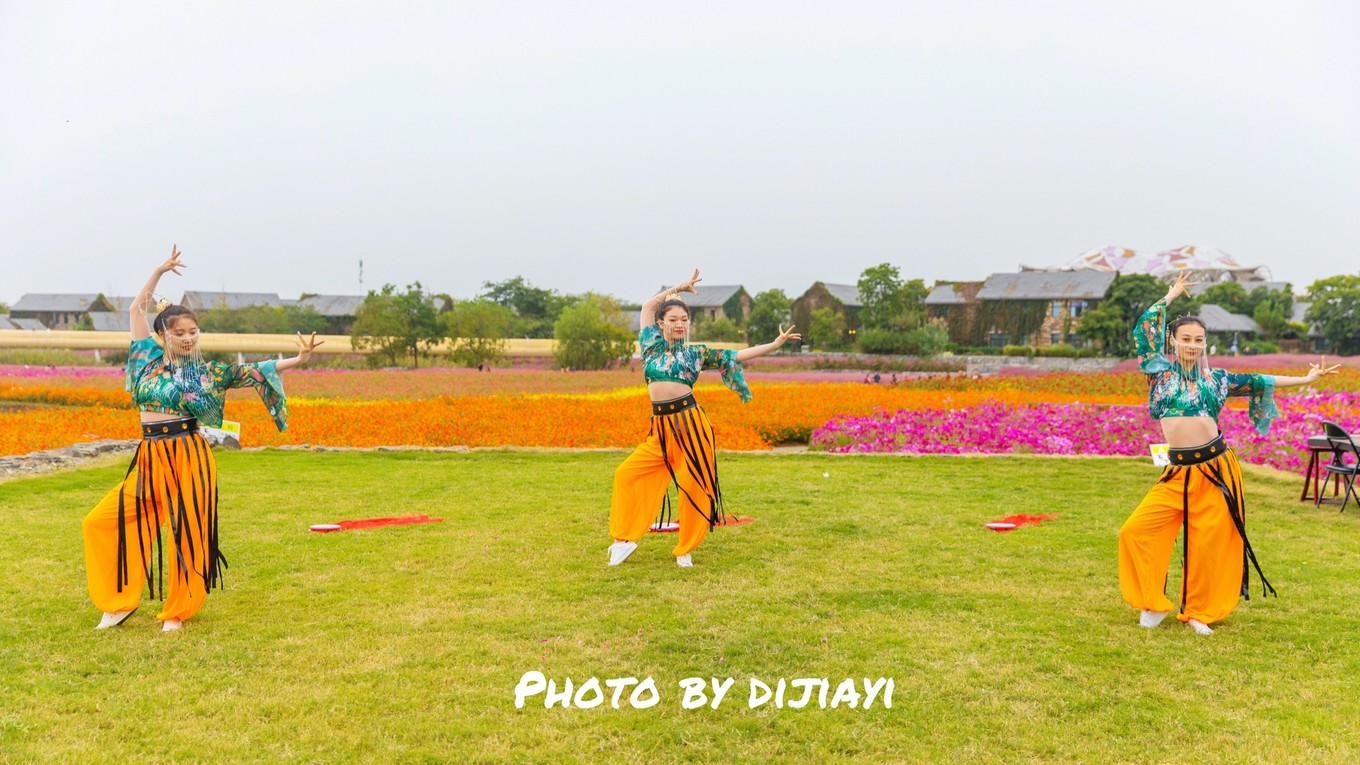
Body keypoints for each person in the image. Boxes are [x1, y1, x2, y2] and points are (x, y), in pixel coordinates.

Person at [83, 245, 323, 632]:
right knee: (100, 521)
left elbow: (250, 371)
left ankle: (178, 610)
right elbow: (136, 310)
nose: (188, 338)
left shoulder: (206, 372)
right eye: (180, 333)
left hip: (188, 453)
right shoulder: (145, 358)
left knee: (188, 529)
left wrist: (298, 360)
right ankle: (118, 601)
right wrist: (159, 271)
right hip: (151, 456)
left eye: (193, 332)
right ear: (162, 335)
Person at [1117, 272, 1339, 634]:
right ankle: (1152, 603)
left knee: (1208, 545)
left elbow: (1260, 382)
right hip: (1176, 472)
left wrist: (1306, 379)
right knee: (1135, 531)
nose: (1192, 345)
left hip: (1215, 469)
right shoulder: (1158, 373)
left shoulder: (1217, 379)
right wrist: (1171, 294)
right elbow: (1144, 329)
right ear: (1173, 340)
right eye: (1185, 339)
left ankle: (1199, 611)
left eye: (1198, 340)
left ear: (1205, 343)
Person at [608, 269, 799, 568]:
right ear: (661, 324)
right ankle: (624, 540)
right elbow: (647, 306)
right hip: (661, 430)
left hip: (691, 425)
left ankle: (685, 548)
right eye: (673, 319)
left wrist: (774, 345)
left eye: (684, 320)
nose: (679, 324)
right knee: (626, 474)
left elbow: (737, 355)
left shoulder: (696, 353)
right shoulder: (650, 345)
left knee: (694, 485)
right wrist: (679, 288)